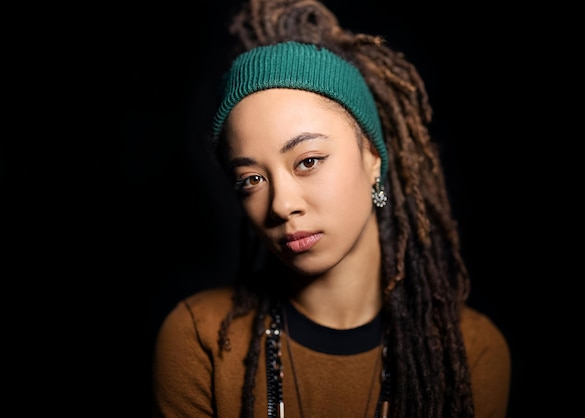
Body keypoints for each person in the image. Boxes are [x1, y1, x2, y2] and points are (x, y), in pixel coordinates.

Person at [151, 0, 511, 417]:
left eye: (308, 161)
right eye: (252, 179)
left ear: (372, 158)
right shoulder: (201, 338)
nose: (282, 206)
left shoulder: (470, 351)